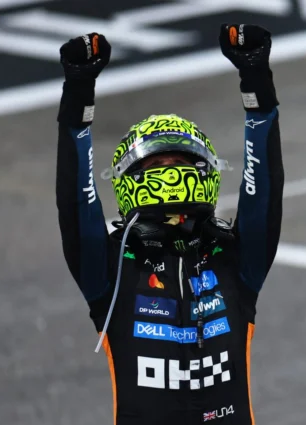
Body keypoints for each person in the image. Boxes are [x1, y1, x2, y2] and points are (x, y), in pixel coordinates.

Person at [56, 24, 284, 425]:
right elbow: (75, 202)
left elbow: (264, 189)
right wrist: (78, 95)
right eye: (156, 164)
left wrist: (256, 83)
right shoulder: (109, 269)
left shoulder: (236, 259)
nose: (170, 171)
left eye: (180, 161)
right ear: (129, 179)